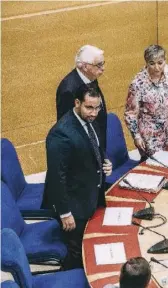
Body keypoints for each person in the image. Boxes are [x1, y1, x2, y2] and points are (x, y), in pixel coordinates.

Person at [43, 87, 112, 270]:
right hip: (74, 206)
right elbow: (57, 177)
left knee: (89, 246)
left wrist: (105, 162)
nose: (94, 113)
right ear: (77, 103)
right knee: (77, 253)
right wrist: (65, 212)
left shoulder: (89, 120)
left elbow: (94, 147)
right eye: (89, 107)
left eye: (97, 108)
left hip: (90, 196)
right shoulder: (61, 134)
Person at [124, 45, 168, 160]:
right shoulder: (138, 83)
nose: (156, 68)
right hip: (149, 131)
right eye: (152, 63)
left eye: (160, 63)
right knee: (157, 163)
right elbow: (130, 113)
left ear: (165, 60)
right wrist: (136, 136)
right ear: (146, 63)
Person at [56, 45, 108, 149]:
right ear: (85, 67)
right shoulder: (68, 91)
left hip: (97, 140)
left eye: (103, 63)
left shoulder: (90, 76)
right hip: (84, 149)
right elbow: (67, 128)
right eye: (99, 65)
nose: (103, 68)